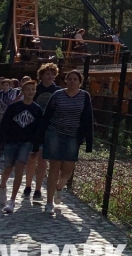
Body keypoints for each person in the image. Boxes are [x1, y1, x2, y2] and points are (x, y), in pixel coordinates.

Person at [40, 69, 93, 214]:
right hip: (55, 133)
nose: (72, 81)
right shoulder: (57, 95)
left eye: (75, 79)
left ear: (80, 82)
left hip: (73, 135)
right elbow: (47, 115)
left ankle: (59, 187)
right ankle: (49, 202)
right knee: (54, 167)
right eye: (70, 79)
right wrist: (40, 136)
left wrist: (89, 141)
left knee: (68, 168)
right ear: (66, 81)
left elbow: (88, 118)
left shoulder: (84, 96)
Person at [0, 80, 44, 214]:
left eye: (33, 89)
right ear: (22, 91)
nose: (30, 92)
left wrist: (35, 147)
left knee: (19, 169)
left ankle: (12, 200)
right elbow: (4, 125)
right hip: (12, 141)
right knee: (7, 168)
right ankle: (2, 186)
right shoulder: (13, 108)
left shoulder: (37, 110)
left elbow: (38, 130)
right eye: (28, 89)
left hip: (26, 143)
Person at [23, 63, 59, 202]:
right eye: (47, 74)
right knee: (31, 158)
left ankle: (38, 189)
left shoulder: (57, 91)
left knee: (43, 160)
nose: (50, 76)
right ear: (42, 75)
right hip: (34, 126)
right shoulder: (35, 89)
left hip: (49, 128)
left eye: (52, 74)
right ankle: (27, 186)